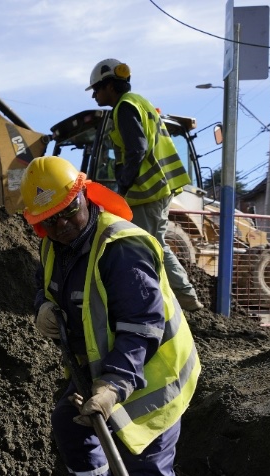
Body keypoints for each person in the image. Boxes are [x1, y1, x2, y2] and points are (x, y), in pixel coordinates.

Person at [21, 155, 200, 476]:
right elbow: (45, 286)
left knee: (148, 475)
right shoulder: (54, 244)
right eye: (50, 221)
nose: (61, 226)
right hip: (98, 373)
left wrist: (114, 386)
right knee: (70, 426)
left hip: (153, 379)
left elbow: (142, 326)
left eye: (68, 213)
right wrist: (42, 308)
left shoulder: (121, 248)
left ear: (84, 195)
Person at [87, 58, 204, 312]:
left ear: (110, 86)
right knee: (150, 243)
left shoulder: (124, 107)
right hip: (157, 188)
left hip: (147, 191)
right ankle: (175, 297)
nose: (94, 95)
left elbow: (137, 148)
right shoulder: (141, 103)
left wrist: (124, 185)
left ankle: (182, 298)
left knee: (150, 244)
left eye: (96, 89)